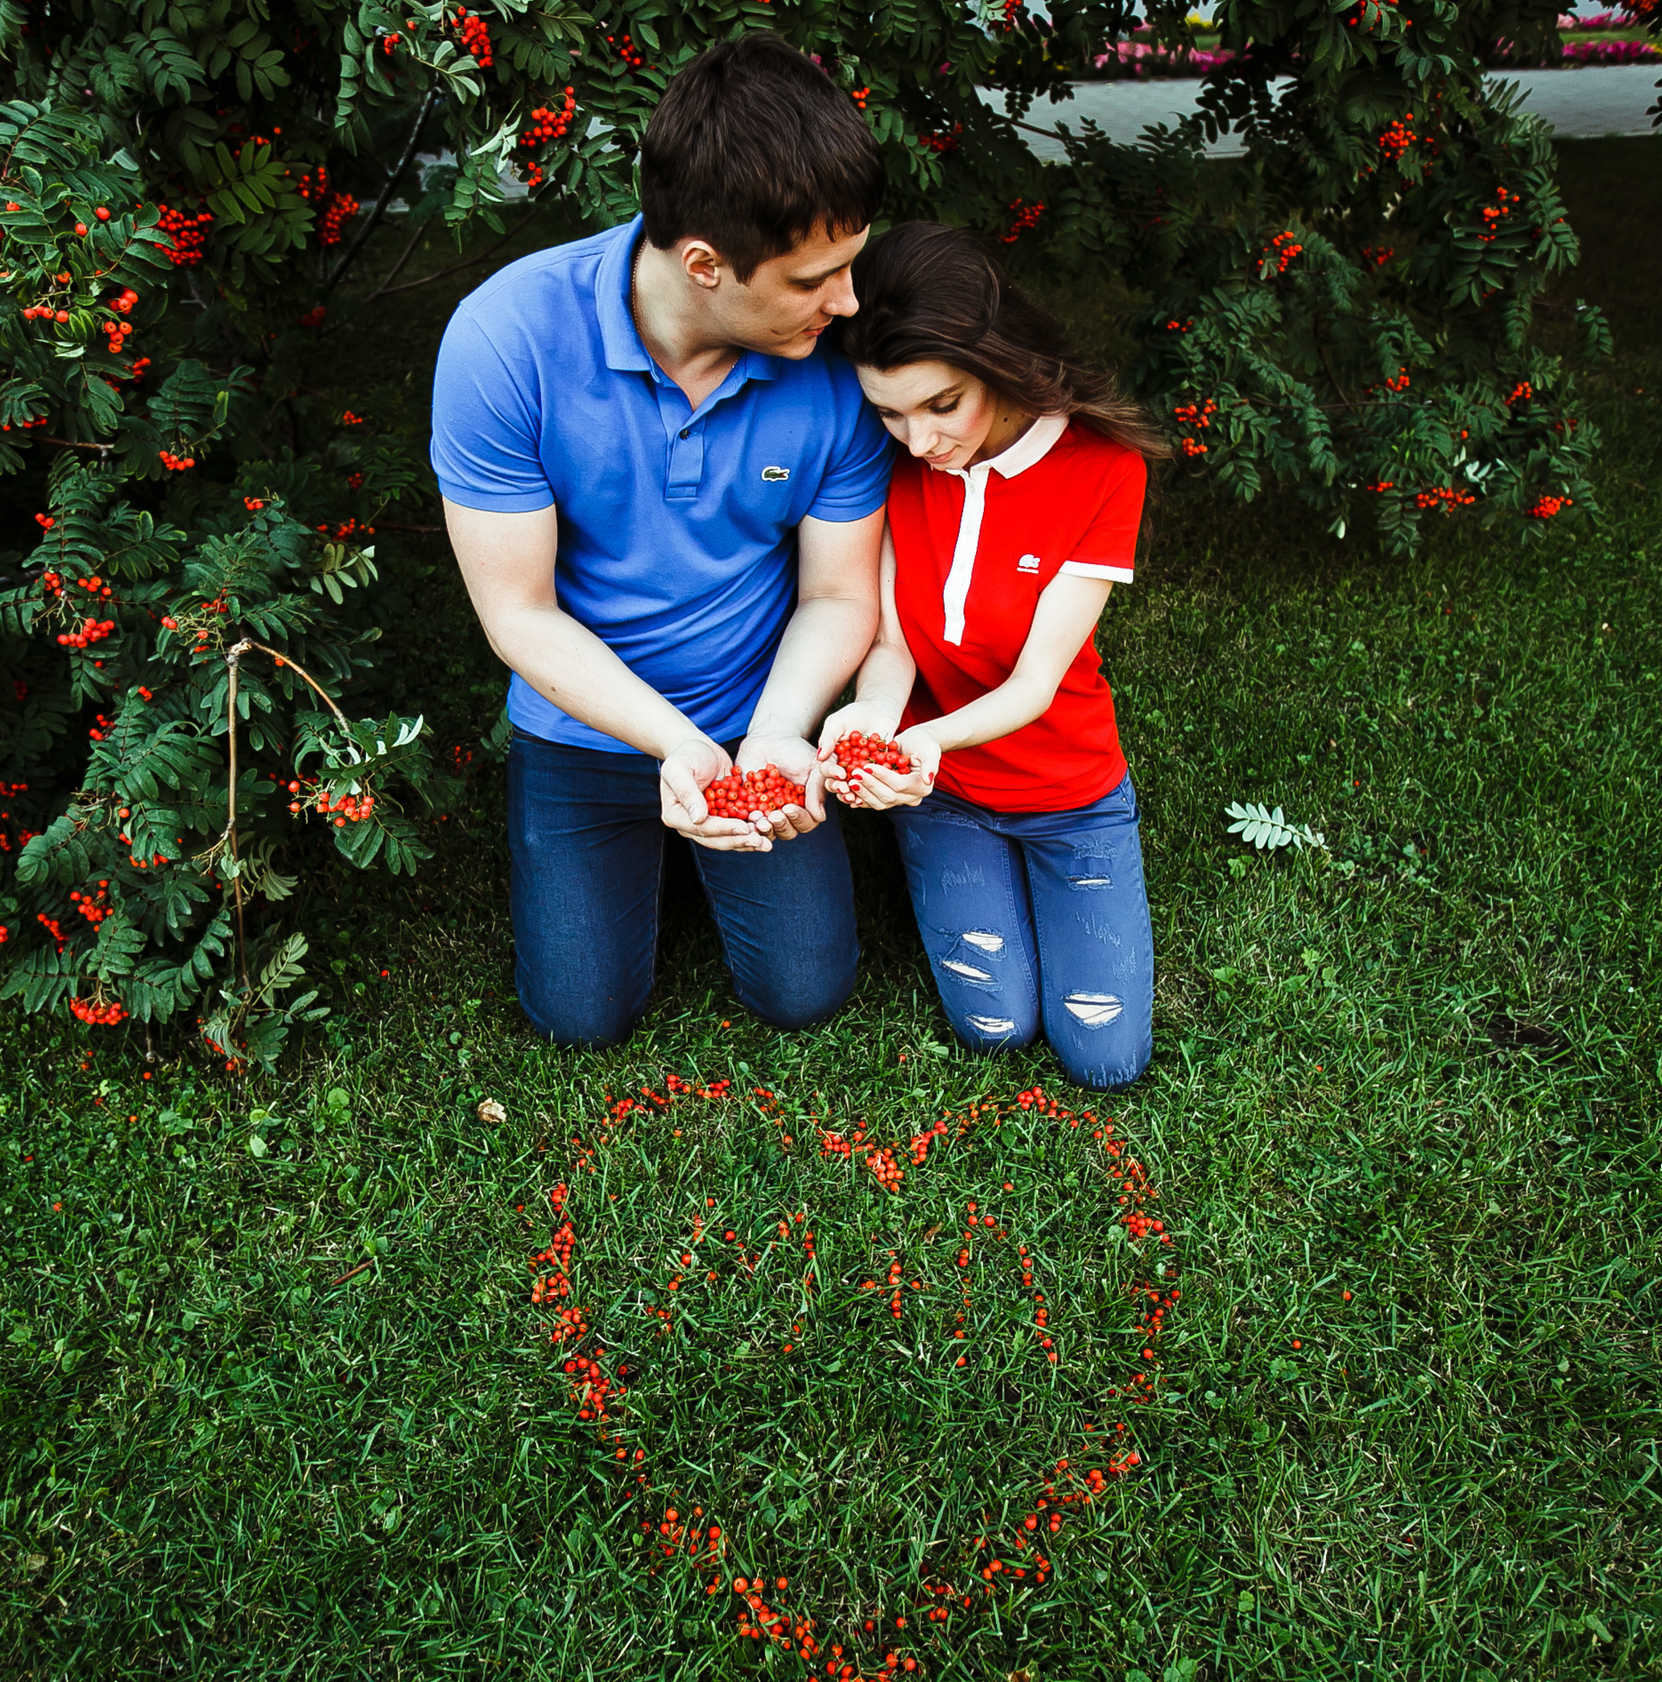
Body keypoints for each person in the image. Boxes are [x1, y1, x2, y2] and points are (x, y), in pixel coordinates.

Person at [431, 35, 893, 1048]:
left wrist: (775, 736)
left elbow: (839, 595)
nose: (849, 301)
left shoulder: (839, 362)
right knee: (578, 1015)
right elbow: (519, 615)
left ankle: (705, 843)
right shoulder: (504, 339)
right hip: (582, 724)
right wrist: (677, 747)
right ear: (704, 265)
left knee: (804, 993)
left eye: (850, 266)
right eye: (814, 278)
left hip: (758, 713)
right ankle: (642, 835)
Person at [818, 223, 1166, 1090]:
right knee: (994, 1028)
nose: (918, 441)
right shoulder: (892, 462)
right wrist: (874, 720)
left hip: (1069, 793)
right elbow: (892, 639)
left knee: (1105, 1058)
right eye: (889, 412)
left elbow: (1036, 683)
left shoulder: (1103, 468)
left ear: (997, 361)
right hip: (943, 797)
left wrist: (928, 738)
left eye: (943, 405)